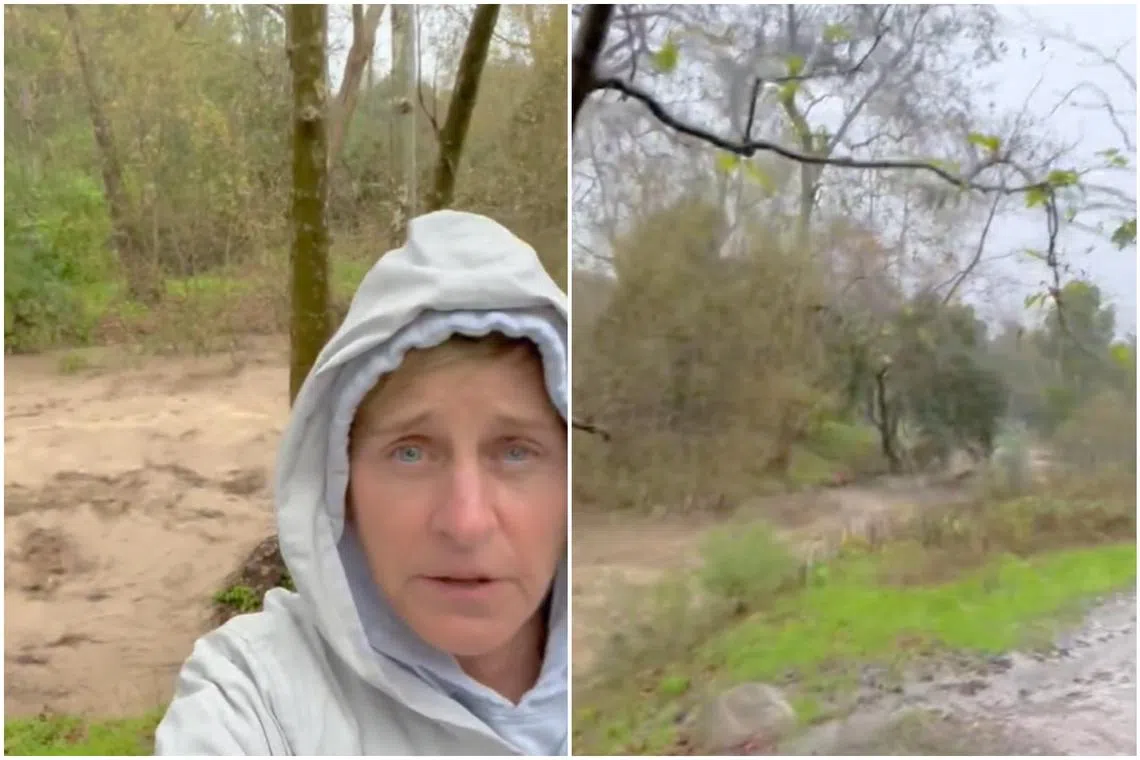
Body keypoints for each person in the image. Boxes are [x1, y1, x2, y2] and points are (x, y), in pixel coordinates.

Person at [155, 210, 568, 755]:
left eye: (516, 452)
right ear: (341, 484)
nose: (466, 523)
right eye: (412, 453)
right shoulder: (257, 696)